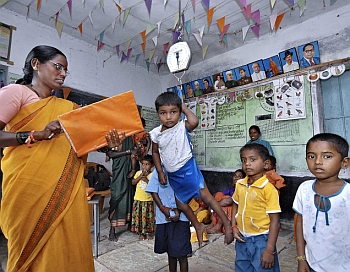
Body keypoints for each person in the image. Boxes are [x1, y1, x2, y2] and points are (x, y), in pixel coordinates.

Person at [0, 45, 124, 271]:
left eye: (66, 70)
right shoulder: (15, 93)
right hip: (28, 189)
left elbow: (81, 146)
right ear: (36, 64)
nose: (63, 74)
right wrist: (37, 134)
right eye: (58, 67)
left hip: (64, 190)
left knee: (64, 252)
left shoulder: (68, 109)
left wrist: (109, 145)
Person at [150, 92, 233, 248]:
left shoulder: (182, 126)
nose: (169, 117)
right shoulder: (156, 134)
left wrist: (184, 106)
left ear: (180, 112)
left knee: (207, 197)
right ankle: (198, 225)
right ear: (158, 114)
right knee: (181, 203)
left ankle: (227, 224)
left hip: (188, 169)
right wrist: (160, 171)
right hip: (173, 175)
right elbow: (155, 152)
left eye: (173, 112)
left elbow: (194, 121)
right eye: (163, 113)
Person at [293, 133, 350, 272]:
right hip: (311, 264)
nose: (317, 161)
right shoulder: (304, 189)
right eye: (311, 156)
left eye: (327, 156)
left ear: (344, 162)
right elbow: (299, 225)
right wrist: (301, 258)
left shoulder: (347, 193)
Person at [232, 143, 281, 271]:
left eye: (252, 160)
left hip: (262, 240)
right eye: (244, 160)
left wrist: (269, 250)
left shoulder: (268, 189)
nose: (247, 163)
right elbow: (235, 204)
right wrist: (233, 226)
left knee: (263, 267)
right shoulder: (240, 185)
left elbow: (275, 221)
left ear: (265, 164)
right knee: (242, 267)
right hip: (242, 238)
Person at [146, 169, 192, 272]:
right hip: (164, 219)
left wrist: (179, 210)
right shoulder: (158, 171)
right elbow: (153, 191)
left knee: (182, 254)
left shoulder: (184, 169)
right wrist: (163, 209)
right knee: (170, 253)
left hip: (182, 219)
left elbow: (189, 192)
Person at [105, 135, 138, 241]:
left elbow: (137, 152)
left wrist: (133, 169)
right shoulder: (116, 136)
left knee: (130, 196)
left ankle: (129, 224)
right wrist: (128, 151)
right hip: (119, 173)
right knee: (116, 197)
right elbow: (111, 153)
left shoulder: (133, 136)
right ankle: (112, 229)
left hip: (130, 170)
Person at [206, 169, 246, 234]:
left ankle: (218, 226)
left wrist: (214, 206)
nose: (236, 178)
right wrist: (213, 204)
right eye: (235, 175)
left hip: (237, 214)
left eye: (239, 176)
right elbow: (216, 196)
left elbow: (229, 201)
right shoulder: (232, 189)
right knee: (218, 195)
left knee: (226, 201)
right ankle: (213, 223)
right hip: (226, 214)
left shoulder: (243, 189)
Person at [130, 154, 155, 240]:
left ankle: (148, 232)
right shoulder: (138, 173)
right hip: (138, 199)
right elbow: (133, 182)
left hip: (148, 200)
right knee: (139, 217)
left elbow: (154, 186)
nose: (144, 167)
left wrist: (146, 180)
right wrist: (139, 178)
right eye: (143, 164)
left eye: (147, 164)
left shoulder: (152, 175)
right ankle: (140, 233)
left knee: (148, 217)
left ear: (152, 165)